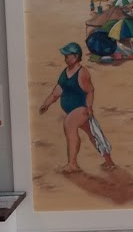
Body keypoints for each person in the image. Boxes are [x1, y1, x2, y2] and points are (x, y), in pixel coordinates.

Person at [38, 42, 114, 173]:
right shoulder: (65, 72)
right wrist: (46, 104)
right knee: (93, 134)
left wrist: (89, 107)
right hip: (72, 110)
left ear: (76, 56)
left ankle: (72, 164)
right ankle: (109, 161)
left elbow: (90, 90)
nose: (65, 58)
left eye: (67, 56)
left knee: (69, 125)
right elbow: (57, 91)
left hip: (81, 108)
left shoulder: (82, 72)